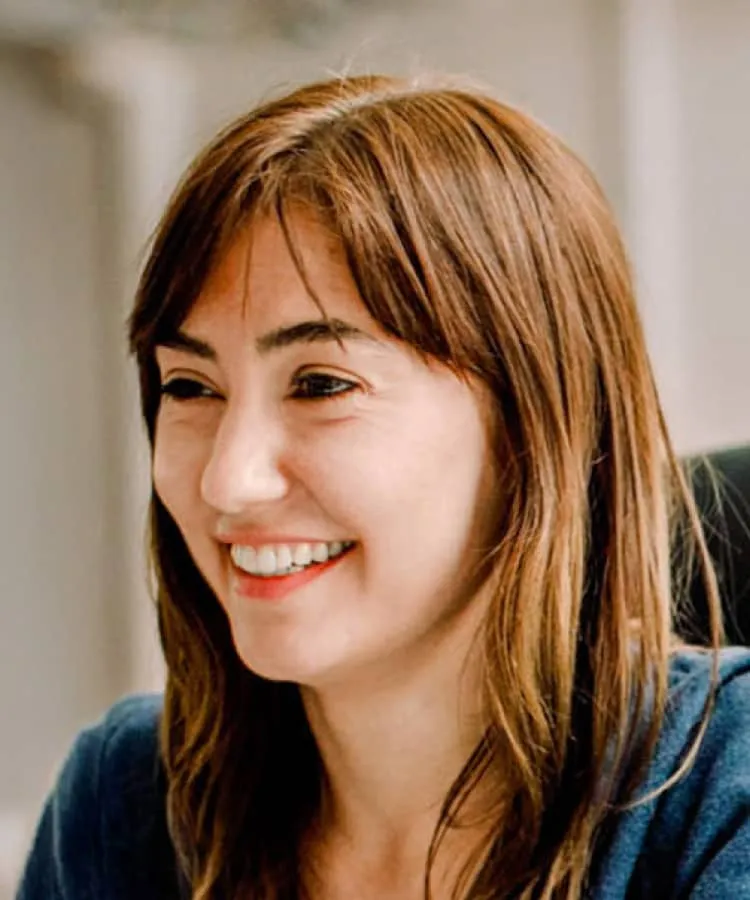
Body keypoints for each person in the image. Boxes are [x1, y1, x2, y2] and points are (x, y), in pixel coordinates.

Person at [16, 74, 750, 900]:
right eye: (190, 387)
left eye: (322, 385)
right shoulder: (123, 806)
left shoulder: (727, 793)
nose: (229, 479)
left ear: (534, 423)